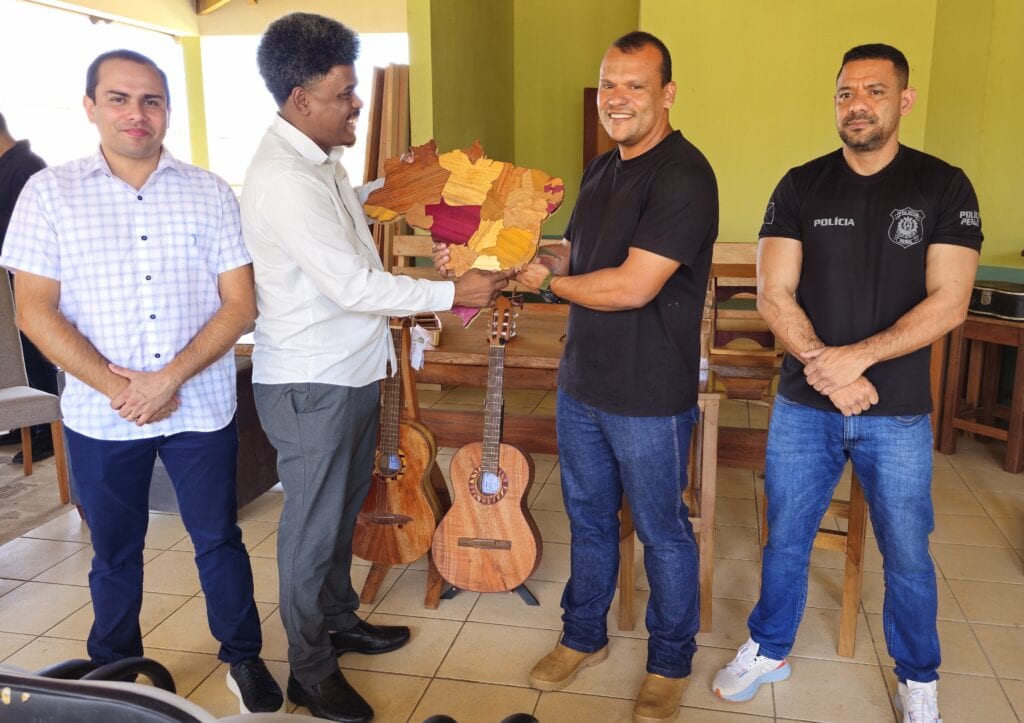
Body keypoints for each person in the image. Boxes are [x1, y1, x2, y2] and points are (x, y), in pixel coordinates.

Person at [440, 31, 718, 723]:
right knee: (590, 519)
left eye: (635, 85)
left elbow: (632, 285)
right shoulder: (600, 170)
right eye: (609, 85)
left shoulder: (684, 175)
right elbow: (577, 255)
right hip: (583, 384)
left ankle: (669, 661)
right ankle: (582, 635)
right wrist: (505, 261)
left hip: (649, 395)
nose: (617, 99)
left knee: (662, 529)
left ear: (668, 94)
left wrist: (546, 286)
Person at [242, 13, 511, 723]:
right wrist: (458, 292)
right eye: (345, 93)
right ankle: (309, 668)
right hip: (312, 383)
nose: (358, 104)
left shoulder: (318, 166)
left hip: (351, 372)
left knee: (336, 518)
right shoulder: (284, 180)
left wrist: (383, 194)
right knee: (311, 529)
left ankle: (338, 617)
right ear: (302, 99)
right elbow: (355, 286)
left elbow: (341, 220)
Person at [0, 50, 283, 715]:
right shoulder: (50, 192)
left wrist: (167, 379)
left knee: (218, 537)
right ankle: (116, 668)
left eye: (151, 100)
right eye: (120, 98)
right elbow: (31, 308)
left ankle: (242, 655)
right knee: (114, 552)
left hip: (199, 405)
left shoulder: (210, 192)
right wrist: (114, 384)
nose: (136, 113)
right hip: (101, 416)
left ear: (166, 111)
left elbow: (239, 303)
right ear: (91, 107)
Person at [711, 44, 981, 723]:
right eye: (844, 93)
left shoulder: (944, 186)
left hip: (896, 412)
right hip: (806, 405)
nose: (856, 104)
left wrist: (850, 360)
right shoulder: (801, 185)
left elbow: (949, 302)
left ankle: (919, 678)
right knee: (786, 535)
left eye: (873, 91)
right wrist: (827, 371)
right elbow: (774, 293)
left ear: (904, 101)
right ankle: (770, 648)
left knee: (908, 552)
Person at [0, 110, 57, 461]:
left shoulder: (24, 168)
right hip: (12, 279)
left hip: (30, 279)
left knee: (35, 353)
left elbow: (27, 232)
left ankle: (45, 432)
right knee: (21, 357)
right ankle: (25, 425)